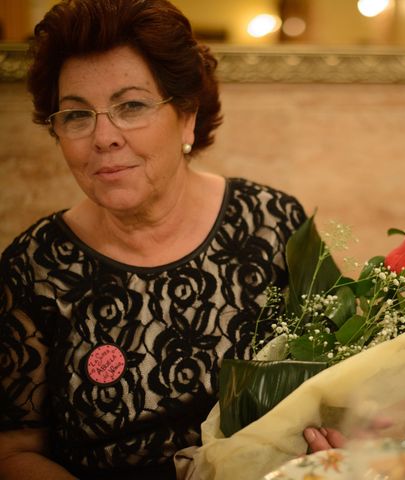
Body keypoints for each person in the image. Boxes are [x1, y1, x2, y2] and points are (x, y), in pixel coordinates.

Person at [0, 1, 341, 479]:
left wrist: (338, 439)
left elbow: (344, 383)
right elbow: (12, 450)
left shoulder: (274, 224)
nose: (103, 137)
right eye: (77, 116)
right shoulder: (32, 266)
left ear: (186, 117)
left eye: (131, 106)